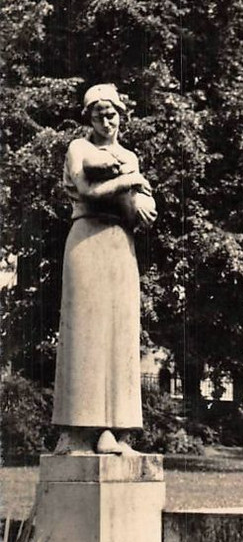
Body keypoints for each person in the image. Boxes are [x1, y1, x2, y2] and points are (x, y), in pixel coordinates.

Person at [52, 84, 157, 455]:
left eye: (111, 113)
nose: (106, 120)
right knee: (84, 333)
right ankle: (76, 431)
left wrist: (143, 206)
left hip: (119, 243)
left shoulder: (129, 155)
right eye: (98, 114)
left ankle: (116, 432)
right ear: (89, 118)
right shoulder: (79, 149)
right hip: (87, 238)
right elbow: (88, 191)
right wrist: (130, 182)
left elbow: (130, 207)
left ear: (120, 115)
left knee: (120, 335)